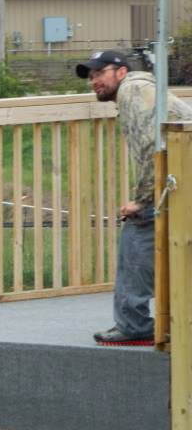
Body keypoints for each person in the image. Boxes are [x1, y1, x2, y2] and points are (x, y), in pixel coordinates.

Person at [76, 50, 192, 345]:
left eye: (100, 73)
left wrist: (141, 201)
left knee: (137, 231)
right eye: (90, 77)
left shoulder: (133, 91)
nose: (93, 81)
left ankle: (134, 325)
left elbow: (152, 149)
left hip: (180, 177)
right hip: (181, 176)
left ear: (121, 72)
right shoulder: (143, 89)